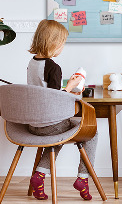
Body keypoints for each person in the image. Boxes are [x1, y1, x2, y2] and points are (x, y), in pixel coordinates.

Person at [27, 19, 97, 201]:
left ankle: (39, 176)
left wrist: (66, 87)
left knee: (57, 136)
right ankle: (83, 178)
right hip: (50, 124)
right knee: (92, 132)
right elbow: (54, 99)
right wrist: (71, 87)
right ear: (53, 43)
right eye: (62, 43)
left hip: (33, 124)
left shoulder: (32, 63)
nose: (63, 47)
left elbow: (44, 92)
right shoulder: (53, 67)